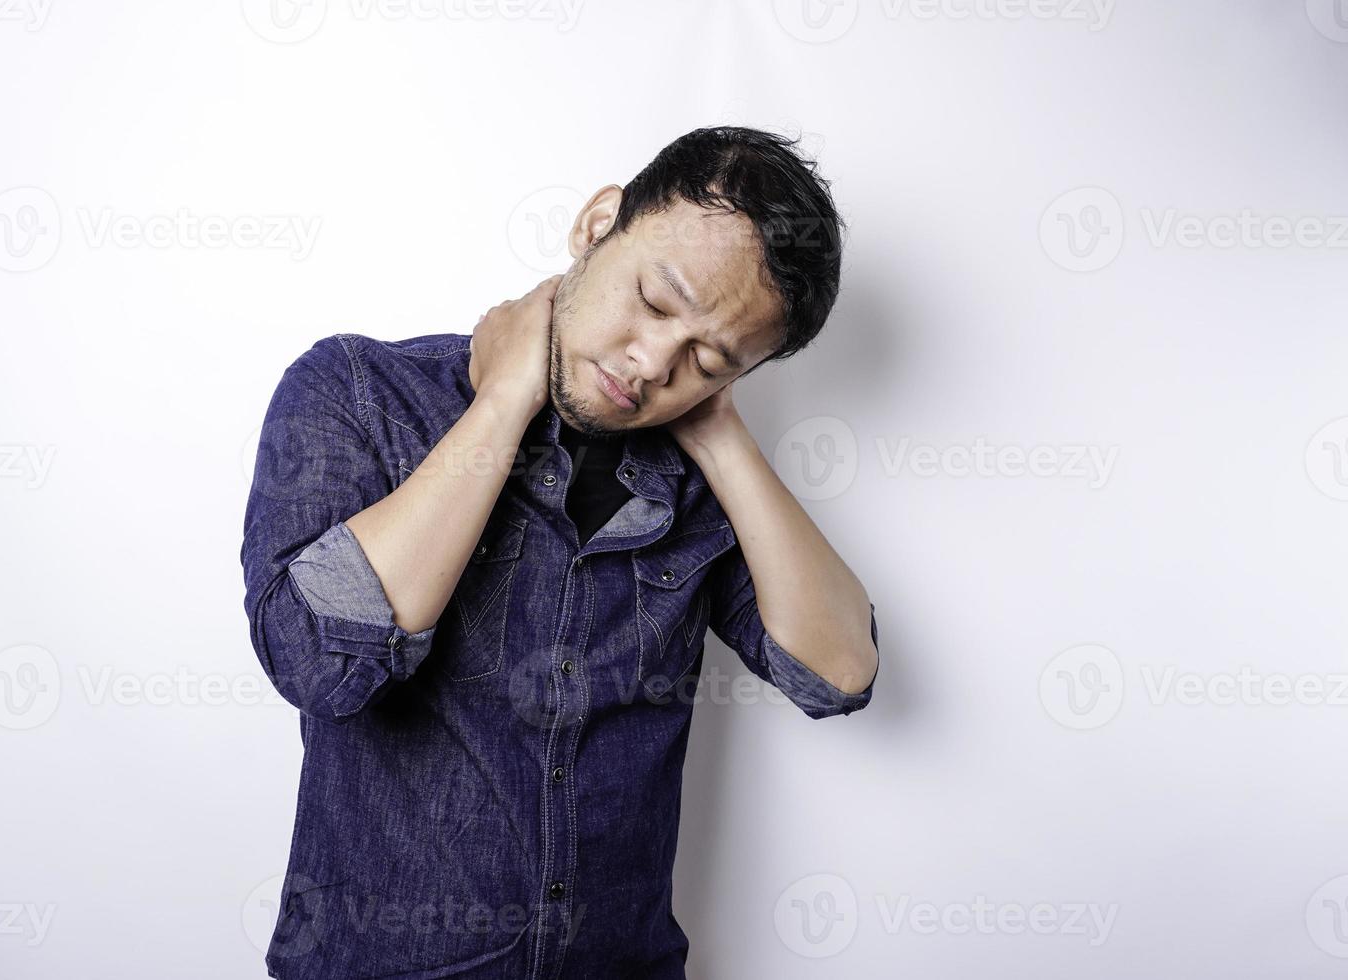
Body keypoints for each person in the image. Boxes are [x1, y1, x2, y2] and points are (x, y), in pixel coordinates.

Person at [240, 125, 880, 980]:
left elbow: (836, 674)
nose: (652, 363)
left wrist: (722, 437)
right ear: (597, 223)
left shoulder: (697, 494)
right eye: (655, 303)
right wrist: (502, 404)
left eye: (708, 358)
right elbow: (312, 662)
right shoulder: (357, 391)